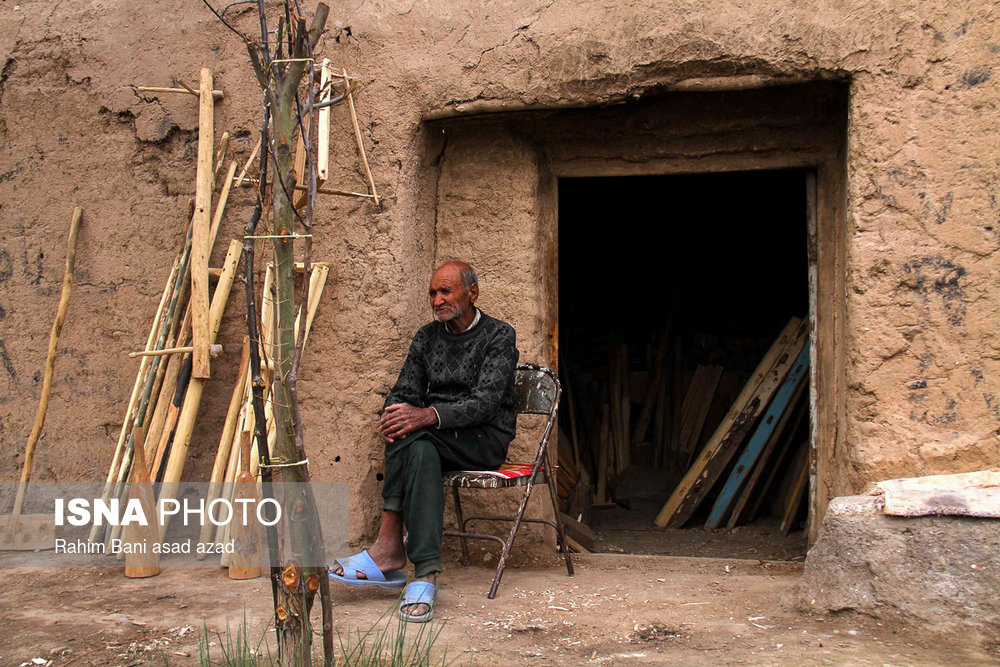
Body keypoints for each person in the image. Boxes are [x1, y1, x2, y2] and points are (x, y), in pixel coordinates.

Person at [330, 260, 519, 623]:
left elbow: (486, 403)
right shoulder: (426, 337)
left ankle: (388, 548)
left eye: (445, 291)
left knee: (416, 430)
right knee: (417, 446)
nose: (437, 300)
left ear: (472, 292)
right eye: (432, 293)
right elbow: (404, 390)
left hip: (483, 438)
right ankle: (425, 572)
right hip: (434, 438)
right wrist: (392, 415)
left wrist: (426, 416)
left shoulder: (499, 335)